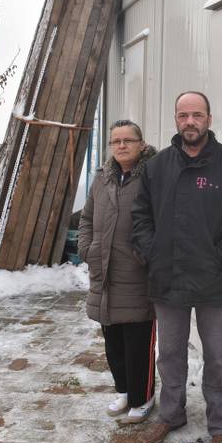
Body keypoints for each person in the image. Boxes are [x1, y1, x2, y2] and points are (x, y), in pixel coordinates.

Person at [132, 91, 222, 443]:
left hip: (215, 282)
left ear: (208, 118)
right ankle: (170, 416)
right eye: (183, 115)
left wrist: (221, 256)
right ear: (175, 119)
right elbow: (141, 217)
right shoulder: (156, 168)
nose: (190, 121)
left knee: (219, 357)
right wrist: (151, 251)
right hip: (167, 279)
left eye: (197, 115)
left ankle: (221, 428)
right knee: (170, 354)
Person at [78, 120, 158, 424]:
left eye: (128, 140)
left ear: (141, 143)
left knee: (139, 343)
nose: (121, 146)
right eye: (116, 141)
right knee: (113, 343)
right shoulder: (102, 178)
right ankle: (124, 391)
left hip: (137, 274)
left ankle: (144, 397)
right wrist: (88, 249)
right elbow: (86, 218)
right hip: (104, 272)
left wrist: (146, 255)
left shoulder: (152, 176)